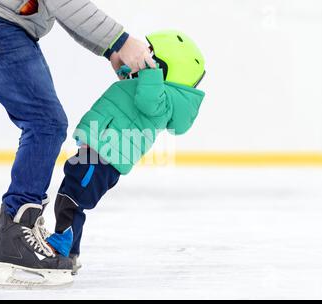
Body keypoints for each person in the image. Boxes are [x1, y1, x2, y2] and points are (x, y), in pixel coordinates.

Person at [0, 0, 156, 287]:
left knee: (47, 122)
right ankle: (15, 232)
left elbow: (60, 7)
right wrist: (121, 40)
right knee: (45, 122)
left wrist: (112, 48)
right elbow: (66, 2)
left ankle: (21, 226)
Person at [42, 30, 206, 275]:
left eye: (150, 56)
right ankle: (68, 250)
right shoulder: (150, 88)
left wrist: (150, 72)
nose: (143, 58)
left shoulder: (162, 100)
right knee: (70, 195)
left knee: (72, 200)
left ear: (163, 67)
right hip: (97, 151)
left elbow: (148, 102)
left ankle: (62, 250)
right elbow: (134, 95)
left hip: (102, 156)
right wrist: (126, 68)